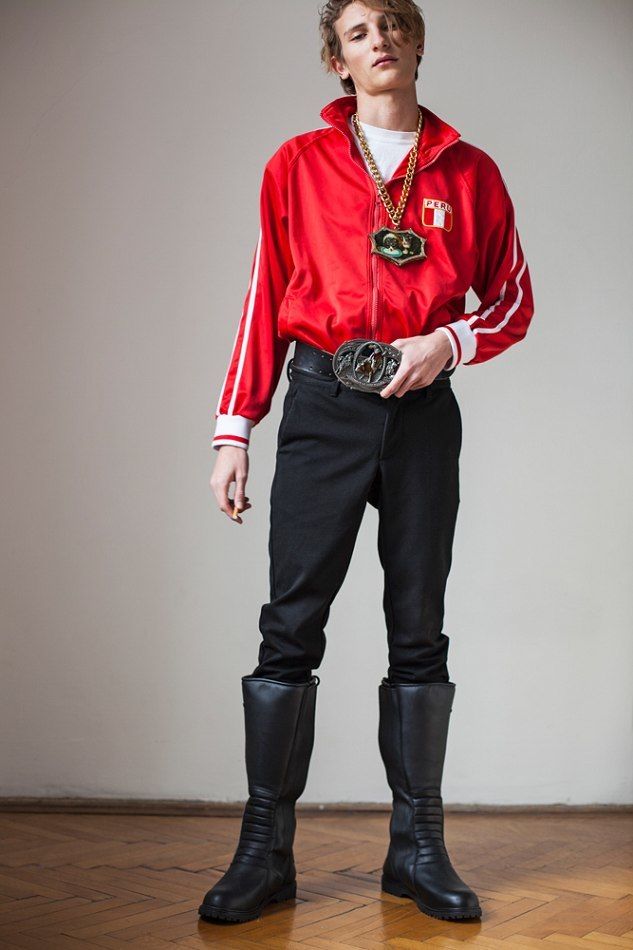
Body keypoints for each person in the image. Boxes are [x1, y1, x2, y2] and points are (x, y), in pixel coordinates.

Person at [200, 0, 534, 925]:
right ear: (337, 61)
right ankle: (263, 852)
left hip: (422, 415)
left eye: (391, 24)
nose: (377, 40)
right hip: (323, 403)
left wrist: (447, 343)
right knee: (289, 627)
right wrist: (234, 429)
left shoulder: (469, 171)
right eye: (356, 32)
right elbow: (264, 296)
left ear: (416, 42)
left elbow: (512, 300)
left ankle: (416, 850)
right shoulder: (297, 164)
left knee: (418, 629)